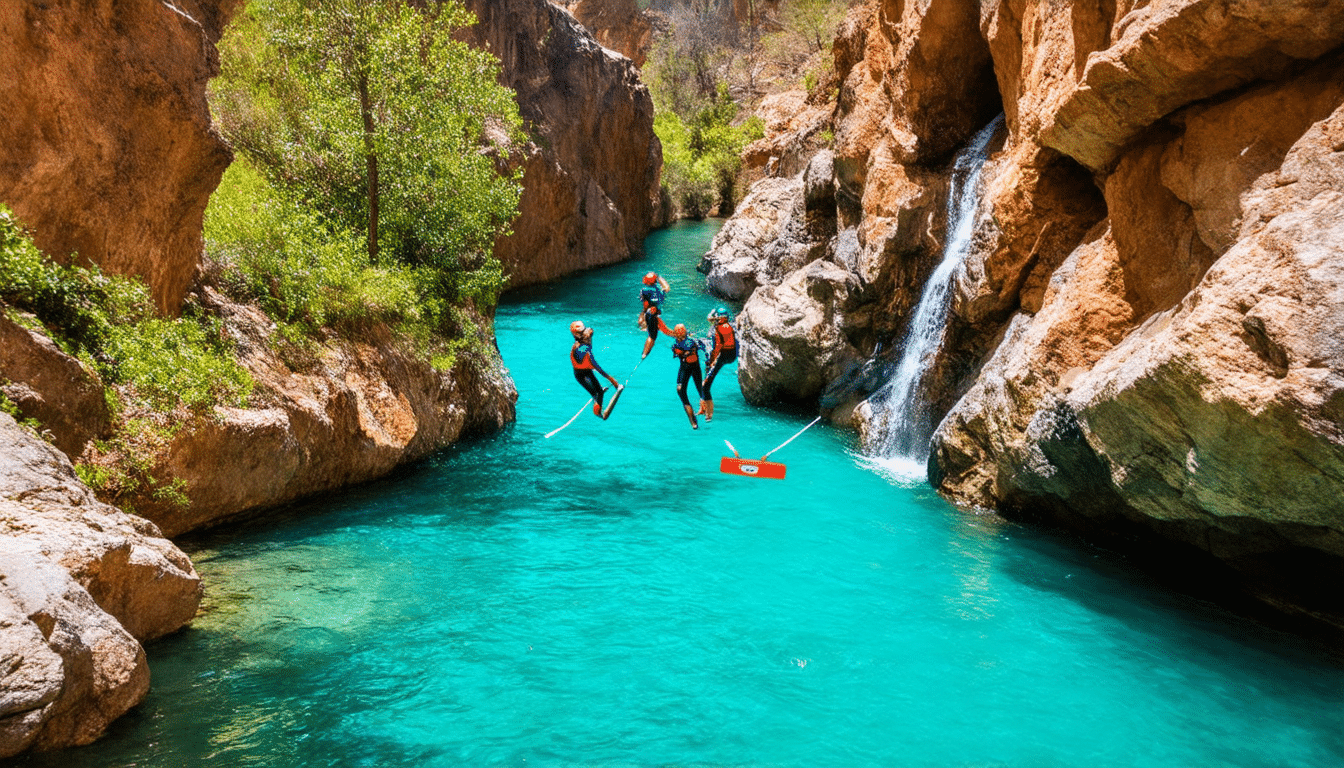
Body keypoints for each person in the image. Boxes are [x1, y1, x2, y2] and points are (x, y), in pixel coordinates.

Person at [570, 320, 620, 416]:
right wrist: (612, 380)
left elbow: (589, 334)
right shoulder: (584, 350)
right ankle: (600, 415)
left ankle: (597, 393)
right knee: (598, 394)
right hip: (581, 374)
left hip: (584, 371)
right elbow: (596, 367)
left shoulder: (579, 344)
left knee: (599, 391)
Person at [699, 306, 737, 421]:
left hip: (721, 355)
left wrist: (713, 360)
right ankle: (703, 409)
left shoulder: (719, 329)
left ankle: (708, 415)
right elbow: (710, 319)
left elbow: (718, 347)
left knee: (705, 385)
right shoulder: (727, 326)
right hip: (728, 355)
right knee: (705, 379)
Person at [670, 323, 704, 429]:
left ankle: (693, 422)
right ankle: (705, 410)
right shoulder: (692, 341)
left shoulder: (676, 345)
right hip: (696, 367)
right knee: (700, 388)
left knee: (681, 391)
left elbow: (678, 351)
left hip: (686, 367)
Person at [638, 271, 673, 358]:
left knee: (652, 336)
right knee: (665, 330)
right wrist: (659, 278)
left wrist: (643, 317)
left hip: (650, 315)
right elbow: (667, 288)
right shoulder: (660, 290)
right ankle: (682, 335)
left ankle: (644, 354)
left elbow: (645, 306)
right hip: (656, 315)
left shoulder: (644, 291)